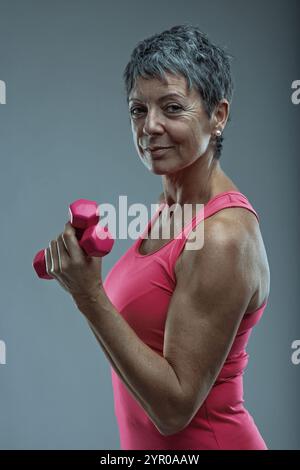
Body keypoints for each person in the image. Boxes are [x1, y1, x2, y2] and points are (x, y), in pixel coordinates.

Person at [46, 24, 270, 450]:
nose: (149, 127)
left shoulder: (222, 235)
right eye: (137, 110)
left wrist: (89, 295)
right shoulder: (174, 205)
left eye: (171, 108)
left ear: (217, 115)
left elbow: (172, 410)